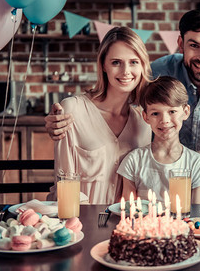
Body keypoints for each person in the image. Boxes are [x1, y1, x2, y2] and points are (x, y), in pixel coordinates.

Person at [44, 7, 200, 162]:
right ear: (180, 44)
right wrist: (68, 117)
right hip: (162, 177)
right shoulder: (158, 72)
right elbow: (116, 96)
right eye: (194, 45)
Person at [47, 27, 152, 204]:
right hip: (78, 220)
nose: (126, 71)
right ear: (103, 65)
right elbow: (64, 184)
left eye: (134, 62)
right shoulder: (73, 110)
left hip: (124, 223)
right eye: (116, 62)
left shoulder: (144, 121)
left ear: (143, 65)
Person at [118, 76, 200, 204]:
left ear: (185, 112)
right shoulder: (134, 161)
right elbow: (129, 212)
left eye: (172, 111)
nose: (165, 120)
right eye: (155, 113)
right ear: (146, 117)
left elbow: (196, 213)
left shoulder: (196, 163)